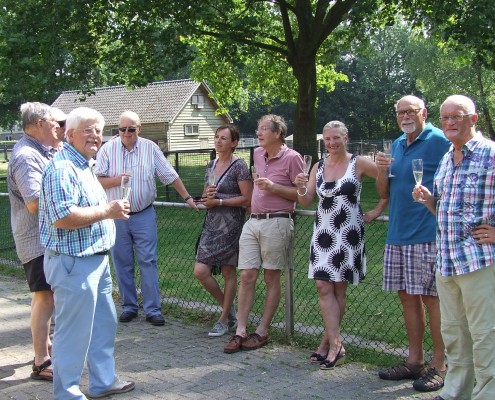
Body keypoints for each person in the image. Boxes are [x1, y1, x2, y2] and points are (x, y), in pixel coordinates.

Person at [39, 107, 135, 399]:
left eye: (98, 130)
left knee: (103, 326)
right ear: (70, 134)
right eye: (88, 130)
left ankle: (103, 381)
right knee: (72, 333)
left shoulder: (84, 165)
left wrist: (108, 212)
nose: (95, 135)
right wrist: (108, 210)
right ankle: (67, 393)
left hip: (95, 260)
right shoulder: (62, 168)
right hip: (73, 263)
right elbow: (62, 216)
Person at [414, 95, 495, 400]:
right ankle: (456, 391)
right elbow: (447, 210)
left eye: (456, 117)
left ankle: (488, 393)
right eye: (444, 118)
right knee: (454, 332)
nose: (448, 123)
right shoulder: (448, 157)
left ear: (472, 119)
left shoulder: (490, 154)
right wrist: (429, 201)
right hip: (446, 261)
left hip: (479, 260)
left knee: (485, 332)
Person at [295, 121, 388, 370]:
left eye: (336, 138)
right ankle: (335, 343)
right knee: (322, 285)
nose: (332, 143)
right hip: (323, 233)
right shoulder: (319, 165)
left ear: (346, 138)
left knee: (338, 289)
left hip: (348, 233)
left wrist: (378, 209)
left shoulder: (359, 163)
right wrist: (300, 185)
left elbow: (386, 182)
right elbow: (305, 201)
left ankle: (329, 343)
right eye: (327, 139)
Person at [95, 110, 198, 326]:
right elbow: (97, 180)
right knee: (122, 262)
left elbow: (170, 175)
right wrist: (117, 180)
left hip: (143, 214)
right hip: (116, 216)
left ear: (139, 129)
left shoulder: (150, 148)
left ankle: (153, 310)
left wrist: (188, 197)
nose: (126, 133)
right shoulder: (107, 149)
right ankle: (129, 307)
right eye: (122, 129)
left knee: (148, 262)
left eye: (131, 129)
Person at [375, 95, 449, 392]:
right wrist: (381, 169)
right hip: (398, 232)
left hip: (427, 233)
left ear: (424, 113)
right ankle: (415, 360)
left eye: (411, 111)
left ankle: (441, 364)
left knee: (433, 299)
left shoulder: (440, 140)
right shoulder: (396, 144)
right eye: (400, 112)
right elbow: (385, 192)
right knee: (407, 296)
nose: (405, 116)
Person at [223, 114, 303, 353]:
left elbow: (301, 196)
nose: (258, 133)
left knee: (271, 277)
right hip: (253, 221)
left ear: (277, 133)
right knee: (247, 274)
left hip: (277, 221)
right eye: (258, 129)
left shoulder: (293, 158)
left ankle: (262, 331)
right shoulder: (257, 154)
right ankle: (240, 331)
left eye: (263, 129)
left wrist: (273, 187)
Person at [7, 102, 63, 382]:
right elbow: (34, 203)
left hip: (47, 239)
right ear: (39, 123)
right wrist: (71, 207)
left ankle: (45, 347)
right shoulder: (27, 156)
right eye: (55, 121)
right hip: (36, 241)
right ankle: (41, 360)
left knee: (44, 296)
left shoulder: (46, 151)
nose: (59, 126)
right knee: (45, 296)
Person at [193, 124, 252, 337]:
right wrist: (205, 197)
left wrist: (218, 201)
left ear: (234, 143)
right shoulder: (211, 165)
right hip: (211, 223)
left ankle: (223, 319)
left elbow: (247, 198)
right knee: (200, 270)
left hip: (231, 224)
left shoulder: (240, 166)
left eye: (224, 138)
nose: (218, 141)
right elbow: (206, 195)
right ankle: (228, 310)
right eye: (217, 137)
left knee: (228, 271)